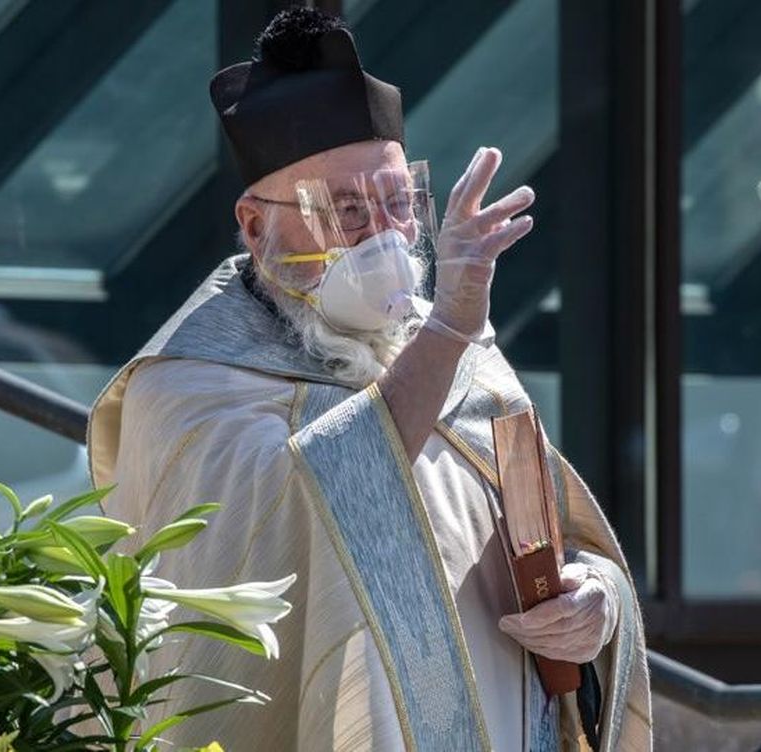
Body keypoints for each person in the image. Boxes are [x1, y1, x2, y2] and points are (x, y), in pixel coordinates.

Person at [88, 8, 650, 751]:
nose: (383, 234)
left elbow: (553, 536)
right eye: (345, 209)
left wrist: (595, 603)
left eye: (397, 202)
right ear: (255, 225)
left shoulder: (459, 351)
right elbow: (302, 516)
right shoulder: (188, 384)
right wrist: (446, 332)